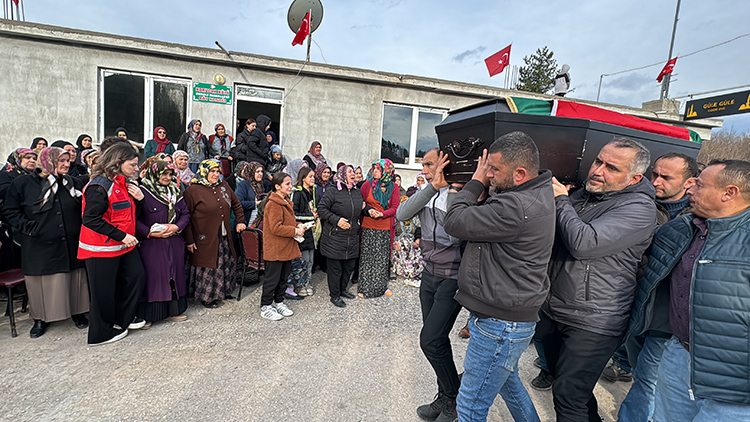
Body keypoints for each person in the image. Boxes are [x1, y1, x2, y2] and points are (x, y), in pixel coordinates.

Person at [534, 138, 657, 422]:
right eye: (598, 161)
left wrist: (561, 200)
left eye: (612, 168)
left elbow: (584, 243)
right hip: (555, 308)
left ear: (634, 178)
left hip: (594, 319)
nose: (598, 171)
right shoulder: (584, 195)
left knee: (568, 395)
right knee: (570, 387)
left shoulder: (639, 208)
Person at [624, 160, 750, 421]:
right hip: (678, 355)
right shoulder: (682, 228)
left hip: (735, 376)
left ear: (729, 193)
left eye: (700, 185)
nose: (690, 190)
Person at [443, 131, 556, 422]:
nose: (488, 174)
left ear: (520, 174)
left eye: (494, 169)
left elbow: (453, 221)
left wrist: (474, 183)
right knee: (509, 384)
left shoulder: (515, 206)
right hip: (510, 319)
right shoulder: (536, 192)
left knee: (470, 407)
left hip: (500, 324)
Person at [615, 152, 700, 422]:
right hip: (636, 305)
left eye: (666, 177)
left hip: (665, 318)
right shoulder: (638, 203)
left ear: (689, 182)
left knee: (647, 379)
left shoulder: (698, 220)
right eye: (654, 174)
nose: (655, 181)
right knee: (639, 370)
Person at [396, 147, 465, 422]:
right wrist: (432, 187)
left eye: (428, 164)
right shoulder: (427, 192)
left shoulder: (463, 194)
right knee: (438, 340)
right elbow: (402, 213)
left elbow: (458, 232)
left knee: (430, 340)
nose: (423, 170)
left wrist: (453, 192)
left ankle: (453, 399)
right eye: (423, 165)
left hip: (453, 276)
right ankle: (445, 395)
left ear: (444, 165)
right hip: (429, 273)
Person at [4, 147, 89, 338]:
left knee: (75, 279)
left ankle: (78, 313)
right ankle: (41, 318)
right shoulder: (23, 183)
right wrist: (27, 227)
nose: (67, 164)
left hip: (71, 242)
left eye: (68, 160)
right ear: (47, 162)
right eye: (61, 161)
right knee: (41, 284)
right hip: (39, 244)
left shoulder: (71, 183)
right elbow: (9, 210)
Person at [78, 142, 147, 346]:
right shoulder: (99, 186)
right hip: (100, 248)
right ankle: (101, 334)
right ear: (118, 163)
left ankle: (123, 319)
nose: (136, 169)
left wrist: (140, 200)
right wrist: (121, 236)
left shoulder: (122, 182)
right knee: (103, 293)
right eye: (132, 165)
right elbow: (90, 219)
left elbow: (128, 213)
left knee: (135, 277)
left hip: (123, 245)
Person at [183, 160, 246, 308]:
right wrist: (189, 240)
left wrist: (240, 221)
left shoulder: (224, 185)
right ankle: (207, 297)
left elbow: (236, 204)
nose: (216, 174)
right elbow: (186, 217)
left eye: (218, 171)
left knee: (225, 263)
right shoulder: (192, 191)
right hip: (204, 238)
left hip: (224, 235)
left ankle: (224, 291)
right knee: (208, 265)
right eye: (212, 171)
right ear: (204, 172)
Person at [135, 160, 190, 329]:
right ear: (154, 173)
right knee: (154, 278)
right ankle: (148, 315)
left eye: (170, 174)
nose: (167, 177)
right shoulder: (143, 192)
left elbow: (185, 214)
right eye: (164, 174)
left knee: (174, 276)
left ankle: (173, 311)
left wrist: (177, 227)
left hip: (173, 241)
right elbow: (134, 219)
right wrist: (149, 232)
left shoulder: (175, 191)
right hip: (152, 244)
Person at [318, 164, 367, 307]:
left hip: (352, 237)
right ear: (342, 174)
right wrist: (337, 220)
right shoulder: (333, 191)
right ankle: (334, 295)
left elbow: (361, 207)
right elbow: (321, 209)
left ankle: (342, 290)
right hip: (335, 236)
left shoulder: (356, 192)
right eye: (350, 172)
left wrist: (369, 210)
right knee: (335, 269)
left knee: (349, 266)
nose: (353, 174)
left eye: (354, 172)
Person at [259, 172, 304, 321]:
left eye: (290, 183)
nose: (290, 186)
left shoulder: (285, 201)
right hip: (275, 249)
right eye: (287, 184)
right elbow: (276, 228)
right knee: (272, 279)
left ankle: (279, 302)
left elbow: (287, 222)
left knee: (283, 278)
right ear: (278, 186)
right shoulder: (273, 204)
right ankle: (265, 306)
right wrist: (294, 231)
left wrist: (299, 225)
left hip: (285, 247)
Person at [358, 159, 400, 298]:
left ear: (386, 172)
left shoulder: (393, 187)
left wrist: (382, 214)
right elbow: (361, 202)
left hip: (385, 227)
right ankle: (364, 287)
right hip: (368, 226)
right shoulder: (367, 185)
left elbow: (395, 207)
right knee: (367, 257)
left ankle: (381, 287)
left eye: (378, 169)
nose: (374, 171)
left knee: (381, 258)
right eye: (374, 168)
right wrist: (369, 210)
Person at [291, 167, 320, 296]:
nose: (313, 179)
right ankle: (299, 284)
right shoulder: (297, 193)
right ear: (303, 178)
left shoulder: (313, 192)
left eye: (314, 176)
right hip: (302, 230)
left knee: (310, 260)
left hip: (311, 231)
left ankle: (307, 282)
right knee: (301, 260)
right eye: (310, 176)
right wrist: (310, 217)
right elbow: (294, 214)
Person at [233, 161, 257, 226]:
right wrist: (255, 204)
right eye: (257, 172)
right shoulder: (243, 184)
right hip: (246, 220)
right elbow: (239, 203)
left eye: (261, 171)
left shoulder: (262, 185)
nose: (260, 174)